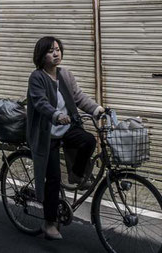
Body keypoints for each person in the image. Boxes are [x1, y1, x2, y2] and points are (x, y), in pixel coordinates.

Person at [26, 36, 105, 240]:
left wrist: (96, 109)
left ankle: (76, 175)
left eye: (58, 49)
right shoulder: (37, 77)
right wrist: (56, 115)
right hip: (47, 133)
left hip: (66, 128)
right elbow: (40, 102)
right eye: (51, 50)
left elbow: (78, 97)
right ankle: (49, 223)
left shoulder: (65, 74)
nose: (56, 53)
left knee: (88, 140)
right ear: (41, 55)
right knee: (53, 179)